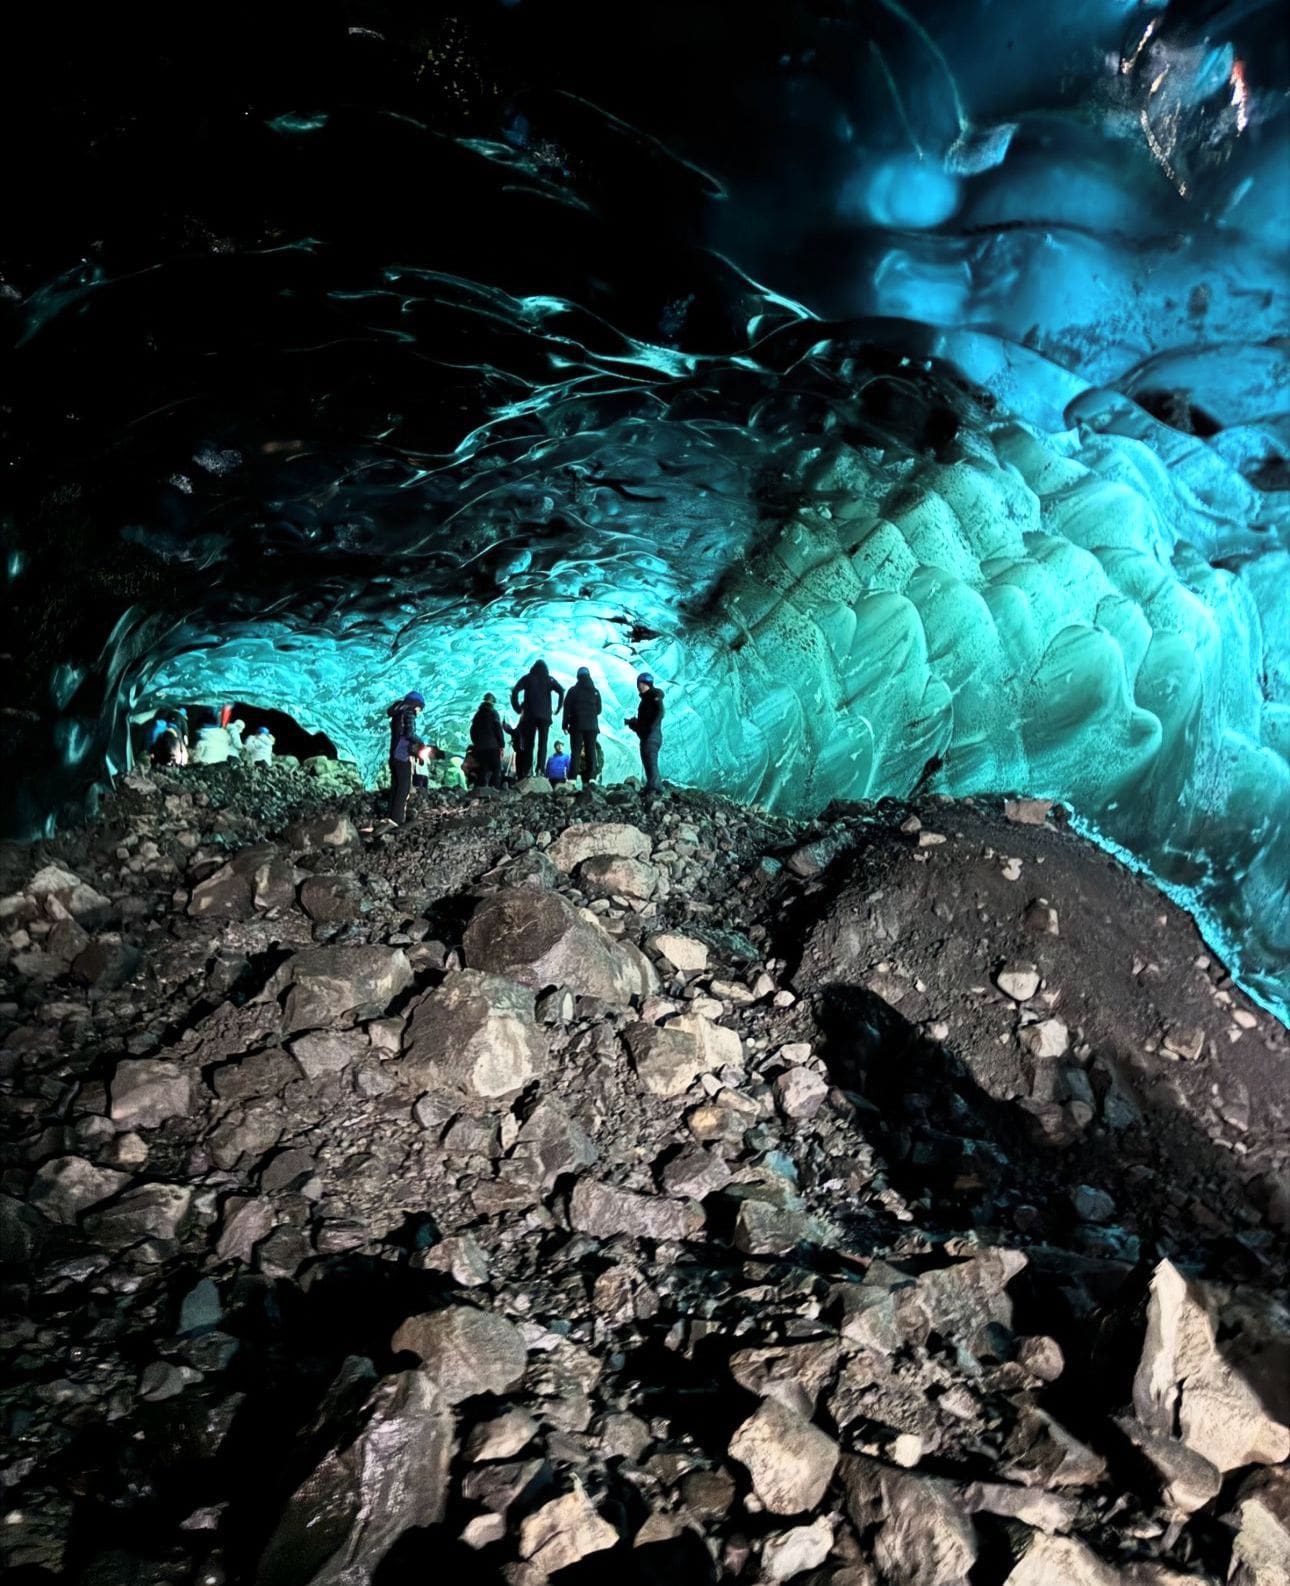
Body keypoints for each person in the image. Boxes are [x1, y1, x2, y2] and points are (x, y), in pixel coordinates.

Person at [510, 659, 565, 779]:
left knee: (530, 744)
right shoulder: (549, 679)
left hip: (530, 716)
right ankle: (540, 769)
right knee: (543, 744)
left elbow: (515, 691)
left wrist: (518, 708)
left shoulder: (528, 678)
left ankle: (528, 770)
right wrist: (558, 708)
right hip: (545, 717)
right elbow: (561, 690)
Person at [385, 690, 424, 825]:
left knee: (396, 786)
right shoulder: (409, 712)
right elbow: (409, 734)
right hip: (402, 756)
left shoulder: (398, 713)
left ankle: (390, 816)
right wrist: (421, 742)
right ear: (416, 705)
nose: (419, 712)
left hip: (394, 754)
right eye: (420, 708)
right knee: (404, 787)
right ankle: (397, 819)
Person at [561, 665, 602, 786]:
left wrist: (565, 724)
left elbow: (566, 708)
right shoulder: (595, 692)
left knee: (576, 751)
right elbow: (599, 710)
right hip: (592, 727)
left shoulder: (573, 691)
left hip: (576, 726)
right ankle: (592, 778)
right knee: (591, 751)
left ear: (578, 677)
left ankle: (572, 778)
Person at [626, 671, 665, 794]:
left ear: (648, 684)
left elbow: (660, 712)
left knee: (650, 760)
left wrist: (650, 728)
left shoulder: (654, 696)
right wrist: (634, 724)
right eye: (638, 684)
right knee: (648, 761)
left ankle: (654, 788)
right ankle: (654, 786)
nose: (639, 686)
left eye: (642, 684)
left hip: (652, 736)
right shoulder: (646, 699)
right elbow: (646, 721)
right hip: (648, 735)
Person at [470, 693, 506, 788]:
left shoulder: (477, 715)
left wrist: (476, 743)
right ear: (493, 702)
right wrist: (502, 744)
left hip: (480, 748)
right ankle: (494, 790)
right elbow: (498, 729)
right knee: (496, 768)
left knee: (483, 769)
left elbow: (472, 731)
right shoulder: (493, 713)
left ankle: (481, 790)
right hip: (492, 747)